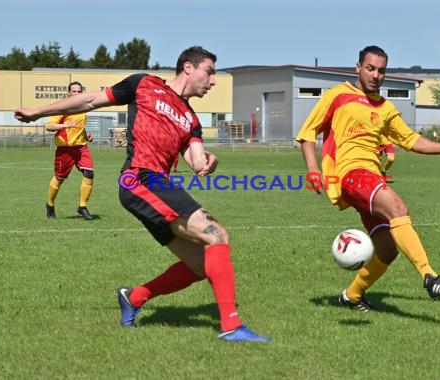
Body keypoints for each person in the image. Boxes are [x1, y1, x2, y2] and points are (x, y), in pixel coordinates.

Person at [15, 46, 269, 342]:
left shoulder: (191, 119)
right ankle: (231, 327)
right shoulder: (143, 84)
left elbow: (197, 161)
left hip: (154, 185)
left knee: (201, 264)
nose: (212, 81)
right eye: (209, 72)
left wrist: (210, 163)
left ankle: (134, 297)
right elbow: (89, 100)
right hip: (139, 178)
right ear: (189, 67)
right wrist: (38, 112)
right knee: (217, 235)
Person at [296, 45, 440, 312]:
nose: (376, 75)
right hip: (351, 174)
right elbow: (307, 134)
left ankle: (352, 295)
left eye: (381, 70)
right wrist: (313, 170)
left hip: (371, 177)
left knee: (387, 249)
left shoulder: (386, 108)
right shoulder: (338, 95)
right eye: (370, 68)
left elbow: (412, 140)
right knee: (398, 209)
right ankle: (430, 277)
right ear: (358, 68)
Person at [44, 81, 95, 220]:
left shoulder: (84, 108)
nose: (76, 94)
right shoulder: (63, 107)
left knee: (89, 174)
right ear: (69, 93)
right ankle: (50, 205)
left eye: (79, 91)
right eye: (74, 91)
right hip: (65, 150)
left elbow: (79, 127)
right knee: (59, 179)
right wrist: (66, 125)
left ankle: (82, 207)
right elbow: (49, 126)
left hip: (81, 147)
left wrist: (86, 135)